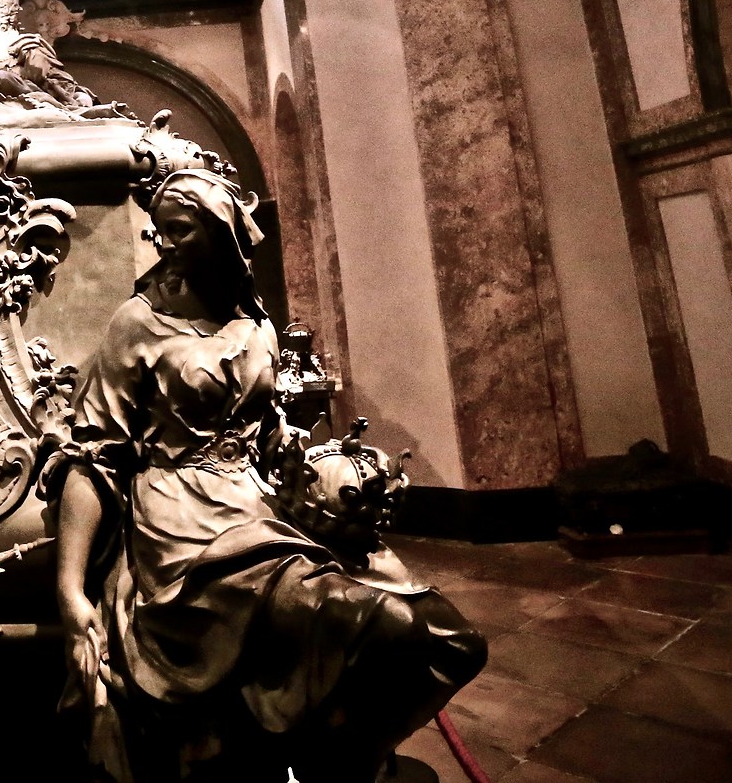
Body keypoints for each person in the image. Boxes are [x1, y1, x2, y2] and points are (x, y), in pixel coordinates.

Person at [47, 172, 485, 782]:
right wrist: (70, 589)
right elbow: (92, 457)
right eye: (159, 230)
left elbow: (275, 444)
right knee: (393, 625)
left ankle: (334, 757)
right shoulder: (138, 324)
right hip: (181, 530)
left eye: (178, 230)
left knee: (448, 639)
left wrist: (340, 481)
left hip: (259, 515)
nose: (162, 242)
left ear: (221, 235)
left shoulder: (258, 329)